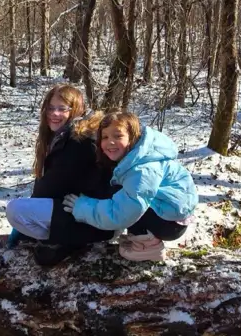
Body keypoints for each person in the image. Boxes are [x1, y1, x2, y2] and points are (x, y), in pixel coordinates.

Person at [63, 111, 198, 262]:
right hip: (167, 213)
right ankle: (143, 236)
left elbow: (123, 212)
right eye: (105, 137)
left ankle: (148, 247)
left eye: (118, 136)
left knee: (121, 194)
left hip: (169, 224)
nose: (110, 142)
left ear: (132, 137)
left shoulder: (143, 169)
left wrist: (82, 207)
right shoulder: (139, 156)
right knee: (115, 188)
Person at [5, 84, 113, 265]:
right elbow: (52, 184)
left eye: (62, 109)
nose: (55, 114)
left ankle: (64, 242)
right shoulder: (65, 136)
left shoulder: (79, 141)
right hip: (82, 213)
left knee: (15, 210)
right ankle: (60, 239)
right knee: (23, 209)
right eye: (51, 108)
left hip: (94, 219)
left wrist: (23, 221)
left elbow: (53, 186)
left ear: (76, 109)